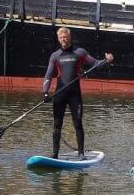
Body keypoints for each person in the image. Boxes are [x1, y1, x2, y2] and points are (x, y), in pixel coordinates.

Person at [41, 27, 113, 159]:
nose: (64, 39)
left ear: (69, 37)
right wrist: (45, 92)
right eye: (61, 37)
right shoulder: (55, 56)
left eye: (66, 37)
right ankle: (55, 154)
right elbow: (48, 75)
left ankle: (81, 153)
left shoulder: (79, 52)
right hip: (60, 94)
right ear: (59, 39)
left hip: (75, 94)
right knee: (57, 125)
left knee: (78, 123)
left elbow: (95, 64)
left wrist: (107, 60)